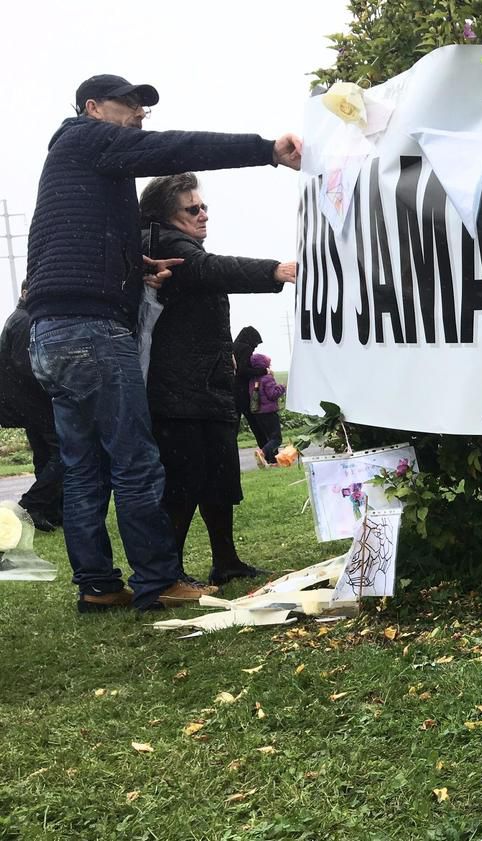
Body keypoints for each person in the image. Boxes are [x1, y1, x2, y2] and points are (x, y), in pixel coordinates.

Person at [23, 74, 303, 613]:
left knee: (82, 468)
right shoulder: (85, 138)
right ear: (92, 108)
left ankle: (99, 585)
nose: (138, 114)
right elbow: (172, 147)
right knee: (134, 461)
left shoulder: (80, 170)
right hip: (92, 333)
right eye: (128, 104)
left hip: (53, 335)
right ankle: (158, 579)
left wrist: (136, 269)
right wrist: (266, 150)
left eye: (142, 106)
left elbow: (70, 250)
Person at [140, 173, 295, 586]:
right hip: (179, 391)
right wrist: (275, 271)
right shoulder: (167, 247)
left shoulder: (180, 245)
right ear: (166, 215)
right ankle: (168, 572)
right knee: (184, 481)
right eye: (192, 209)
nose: (203, 213)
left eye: (203, 205)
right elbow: (213, 269)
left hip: (205, 386)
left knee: (218, 478)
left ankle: (226, 562)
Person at [0, 286, 63, 531]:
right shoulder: (27, 321)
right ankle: (31, 505)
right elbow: (27, 366)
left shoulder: (19, 318)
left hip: (23, 403)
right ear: (27, 291)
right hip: (33, 402)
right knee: (63, 454)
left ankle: (49, 510)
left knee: (45, 455)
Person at [232, 326, 270, 452]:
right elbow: (243, 370)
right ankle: (269, 453)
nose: (255, 347)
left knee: (233, 428)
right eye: (255, 344)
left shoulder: (234, 347)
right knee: (256, 424)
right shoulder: (245, 348)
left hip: (232, 392)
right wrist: (264, 371)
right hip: (243, 393)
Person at [248, 353, 287, 466]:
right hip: (269, 412)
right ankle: (262, 453)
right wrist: (282, 387)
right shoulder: (267, 378)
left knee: (269, 438)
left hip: (258, 413)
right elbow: (272, 395)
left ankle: (273, 462)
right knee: (277, 439)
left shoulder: (252, 379)